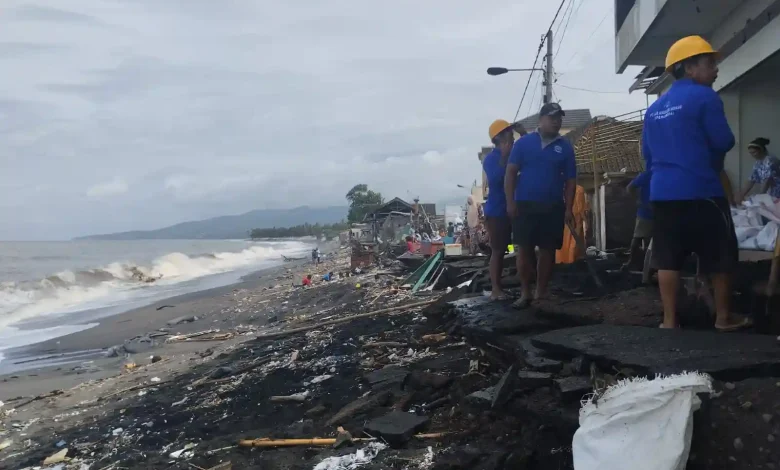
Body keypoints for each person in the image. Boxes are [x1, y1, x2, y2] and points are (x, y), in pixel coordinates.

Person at [642, 35, 750, 331]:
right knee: (721, 254)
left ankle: (669, 320)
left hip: (663, 193)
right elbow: (724, 140)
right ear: (689, 67)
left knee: (668, 258)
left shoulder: (654, 109)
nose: (716, 69)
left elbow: (648, 155)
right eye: (710, 63)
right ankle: (724, 317)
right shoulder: (705, 97)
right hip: (701, 189)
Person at [504, 103, 576, 308]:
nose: (556, 121)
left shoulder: (565, 146)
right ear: (541, 120)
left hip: (553, 205)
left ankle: (541, 292)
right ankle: (525, 292)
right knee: (524, 250)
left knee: (547, 251)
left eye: (559, 118)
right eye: (552, 117)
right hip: (524, 205)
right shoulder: (524, 144)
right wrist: (510, 202)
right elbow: (510, 174)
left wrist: (569, 208)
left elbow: (571, 180)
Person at [482, 119, 516, 299]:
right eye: (508, 131)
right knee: (498, 250)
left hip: (518, 208)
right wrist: (505, 156)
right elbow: (496, 180)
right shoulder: (491, 159)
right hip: (497, 211)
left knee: (523, 247)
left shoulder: (516, 153)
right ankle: (496, 289)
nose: (512, 134)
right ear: (499, 137)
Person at [622, 171, 653, 270]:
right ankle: (633, 262)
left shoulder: (652, 174)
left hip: (656, 212)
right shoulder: (647, 174)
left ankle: (647, 264)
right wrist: (638, 200)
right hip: (646, 212)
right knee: (639, 237)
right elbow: (630, 187)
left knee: (647, 239)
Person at [737, 138, 780, 202]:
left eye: (754, 152)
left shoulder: (771, 160)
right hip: (769, 194)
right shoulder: (758, 163)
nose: (752, 155)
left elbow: (767, 180)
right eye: (750, 153)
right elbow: (751, 180)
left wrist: (760, 197)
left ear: (761, 150)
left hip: (777, 193)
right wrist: (741, 194)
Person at [555, 185, 589, 264]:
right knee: (573, 245)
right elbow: (582, 210)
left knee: (562, 244)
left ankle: (561, 262)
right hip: (574, 223)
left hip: (562, 222)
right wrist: (587, 223)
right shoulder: (579, 190)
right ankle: (572, 263)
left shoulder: (557, 188)